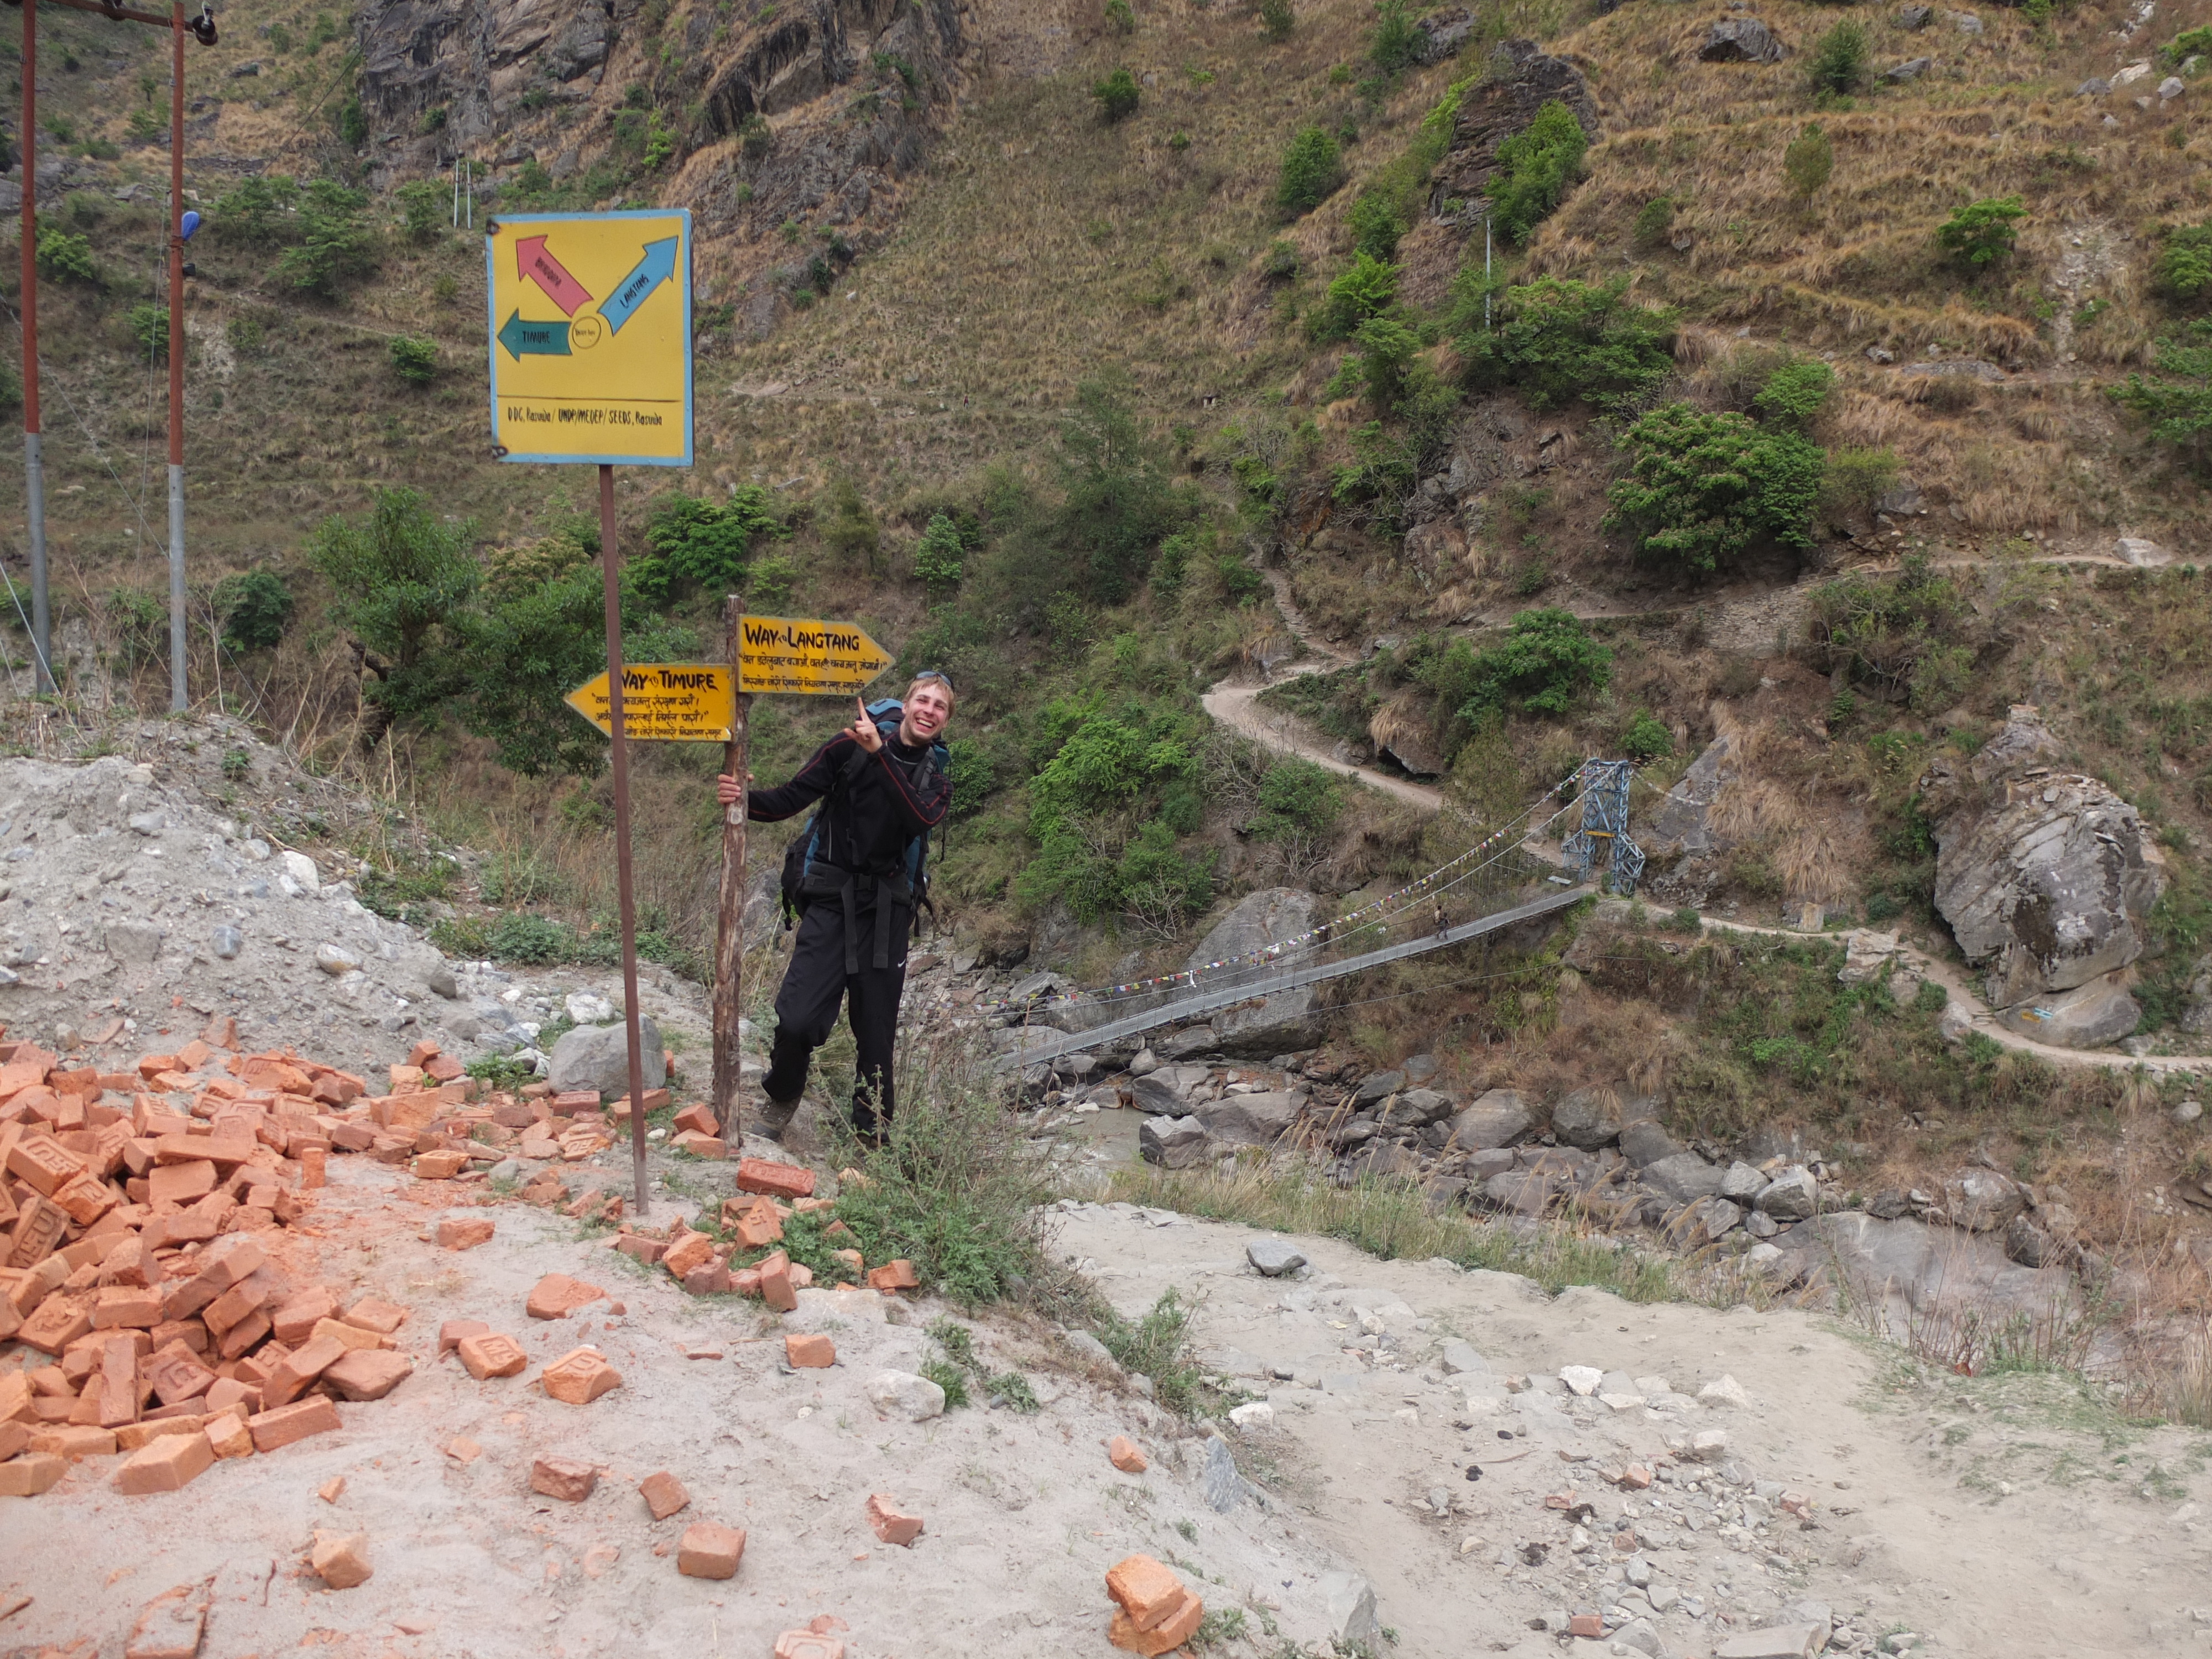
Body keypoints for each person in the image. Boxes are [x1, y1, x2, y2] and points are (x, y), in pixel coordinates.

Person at [716, 674, 953, 1146]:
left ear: (946, 720)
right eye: (923, 701)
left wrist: (880, 754)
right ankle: (783, 1096)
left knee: (876, 1033)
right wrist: (743, 799)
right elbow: (791, 797)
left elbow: (917, 817)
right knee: (798, 1018)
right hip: (831, 900)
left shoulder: (936, 780)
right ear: (907, 704)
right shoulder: (847, 748)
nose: (929, 711)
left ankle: (872, 1137)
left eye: (940, 706)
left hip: (887, 912)